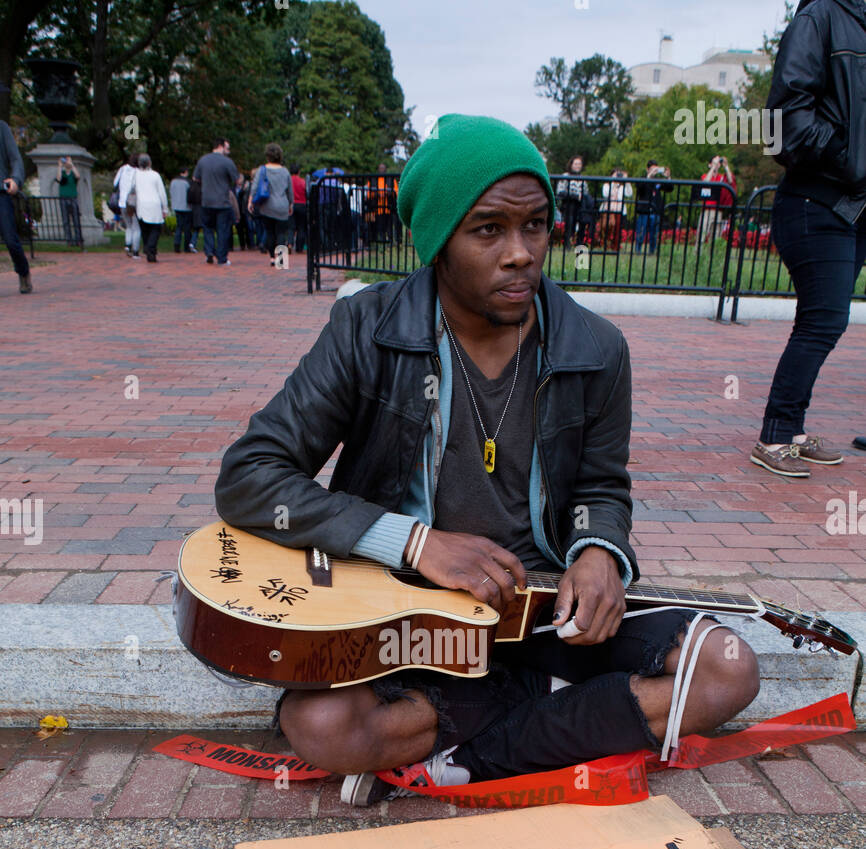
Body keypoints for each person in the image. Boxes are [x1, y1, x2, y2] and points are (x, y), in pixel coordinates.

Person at [215, 113, 759, 805]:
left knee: (728, 670)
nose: (520, 253)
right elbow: (252, 474)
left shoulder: (596, 348)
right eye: (488, 230)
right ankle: (556, 711)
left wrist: (597, 553)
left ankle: (463, 754)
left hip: (544, 610)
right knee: (322, 724)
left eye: (535, 225)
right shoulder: (367, 330)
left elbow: (601, 487)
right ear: (439, 241)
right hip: (408, 616)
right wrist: (415, 542)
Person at [751, 0, 866, 479]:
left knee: (822, 320)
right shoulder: (820, 15)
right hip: (815, 200)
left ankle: (792, 430)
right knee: (824, 321)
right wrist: (850, 158)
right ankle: (775, 434)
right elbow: (787, 117)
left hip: (856, 204)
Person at [0, 87, 32, 292]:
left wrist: (16, 179)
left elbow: (15, 158)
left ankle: (23, 271)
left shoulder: (1, 128)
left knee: (11, 240)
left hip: (1, 192)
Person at [193, 136, 238, 266]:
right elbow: (236, 179)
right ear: (221, 146)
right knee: (222, 230)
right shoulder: (227, 162)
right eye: (227, 148)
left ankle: (209, 252)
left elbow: (196, 178)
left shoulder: (203, 160)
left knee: (207, 228)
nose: (228, 151)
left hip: (206, 201)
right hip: (222, 201)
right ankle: (222, 258)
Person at [248, 144, 292, 264]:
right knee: (281, 233)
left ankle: (272, 257)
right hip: (282, 205)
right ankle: (281, 260)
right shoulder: (285, 172)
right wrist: (291, 204)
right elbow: (289, 191)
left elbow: (255, 187)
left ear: (267, 156)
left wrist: (250, 201)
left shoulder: (262, 170)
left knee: (270, 232)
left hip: (267, 205)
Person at [132, 153, 168, 262]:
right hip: (154, 205)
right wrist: (165, 208)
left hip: (141, 205)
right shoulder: (155, 175)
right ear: (149, 163)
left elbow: (132, 189)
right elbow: (162, 193)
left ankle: (148, 248)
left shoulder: (135, 175)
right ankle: (151, 249)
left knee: (145, 230)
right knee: (155, 229)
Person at [555, 155, 595, 247]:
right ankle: (567, 243)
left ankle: (579, 242)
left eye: (579, 164)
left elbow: (586, 192)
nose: (578, 166)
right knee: (569, 222)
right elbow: (560, 192)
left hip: (581, 205)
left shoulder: (583, 178)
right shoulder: (565, 176)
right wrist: (575, 196)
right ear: (571, 164)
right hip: (569, 203)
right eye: (576, 163)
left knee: (583, 219)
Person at [634, 160, 671, 254]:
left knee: (654, 233)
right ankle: (638, 250)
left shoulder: (658, 181)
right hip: (644, 210)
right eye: (652, 169)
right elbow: (639, 187)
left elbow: (669, 188)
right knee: (641, 231)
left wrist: (668, 177)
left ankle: (652, 250)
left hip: (655, 210)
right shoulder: (643, 178)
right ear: (647, 169)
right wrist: (648, 176)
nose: (654, 171)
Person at [698, 154, 736, 245]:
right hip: (706, 210)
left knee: (715, 238)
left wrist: (726, 166)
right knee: (701, 236)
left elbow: (731, 181)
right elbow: (705, 182)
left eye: (718, 163)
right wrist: (713, 168)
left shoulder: (721, 178)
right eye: (714, 162)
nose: (717, 164)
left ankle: (712, 257)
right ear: (709, 164)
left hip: (718, 210)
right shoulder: (705, 175)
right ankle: (697, 255)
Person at [113, 152, 140, 259]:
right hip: (133, 203)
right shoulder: (138, 172)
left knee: (128, 226)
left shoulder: (122, 169)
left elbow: (115, 183)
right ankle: (135, 251)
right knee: (136, 227)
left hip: (122, 202)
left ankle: (127, 245)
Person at [599, 168, 633, 251]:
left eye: (619, 174)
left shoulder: (622, 186)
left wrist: (627, 181)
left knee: (617, 229)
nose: (617, 176)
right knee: (606, 228)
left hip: (619, 209)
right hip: (608, 209)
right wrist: (613, 183)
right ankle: (605, 245)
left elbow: (629, 193)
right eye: (615, 174)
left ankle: (615, 247)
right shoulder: (606, 185)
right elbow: (606, 194)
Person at [56, 154, 82, 245]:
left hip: (73, 198)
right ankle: (69, 240)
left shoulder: (72, 174)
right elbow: (58, 179)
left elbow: (78, 176)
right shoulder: (62, 174)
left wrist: (72, 164)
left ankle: (78, 239)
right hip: (63, 198)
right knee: (65, 220)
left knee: (76, 219)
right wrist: (60, 166)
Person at [170, 166, 192, 252]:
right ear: (185, 172)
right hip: (186, 207)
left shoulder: (173, 181)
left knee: (179, 226)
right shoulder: (187, 182)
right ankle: (187, 246)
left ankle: (177, 245)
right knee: (187, 227)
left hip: (176, 206)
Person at [290, 164, 307, 252]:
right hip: (302, 204)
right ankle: (299, 247)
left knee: (291, 226)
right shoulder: (302, 181)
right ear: (299, 172)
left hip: (291, 204)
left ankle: (290, 243)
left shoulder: (288, 181)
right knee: (301, 227)